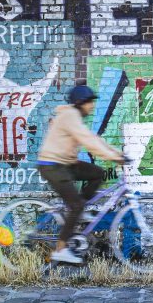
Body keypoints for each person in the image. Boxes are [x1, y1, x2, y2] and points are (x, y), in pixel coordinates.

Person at [37, 84, 125, 264]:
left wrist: (118, 154)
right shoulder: (70, 116)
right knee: (75, 206)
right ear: (80, 102)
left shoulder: (74, 116)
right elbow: (88, 142)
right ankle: (60, 250)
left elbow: (93, 139)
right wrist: (114, 158)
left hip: (66, 164)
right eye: (90, 102)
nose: (92, 106)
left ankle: (80, 209)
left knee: (97, 173)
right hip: (52, 166)